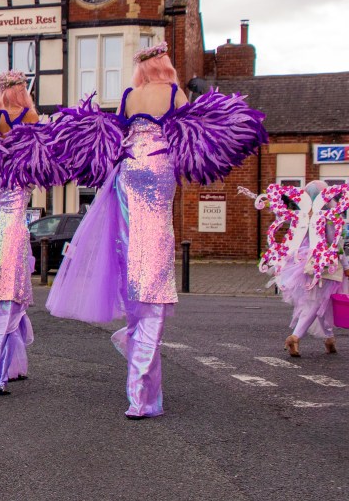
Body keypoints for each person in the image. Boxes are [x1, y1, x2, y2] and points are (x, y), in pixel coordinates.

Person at [47, 43, 266, 419]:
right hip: (158, 167)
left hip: (128, 171)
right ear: (165, 67)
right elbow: (192, 131)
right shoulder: (173, 92)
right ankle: (141, 397)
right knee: (157, 238)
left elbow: (115, 136)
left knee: (132, 240)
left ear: (141, 71)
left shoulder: (129, 96)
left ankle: (135, 332)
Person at [0, 71, 40, 392]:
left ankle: (9, 367)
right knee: (9, 291)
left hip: (1, 224)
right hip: (14, 226)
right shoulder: (29, 117)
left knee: (10, 289)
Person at [246, 180, 347, 357]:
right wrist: (345, 265)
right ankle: (295, 337)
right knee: (317, 302)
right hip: (322, 261)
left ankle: (329, 338)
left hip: (300, 261)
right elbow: (334, 243)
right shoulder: (326, 216)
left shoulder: (301, 215)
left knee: (320, 301)